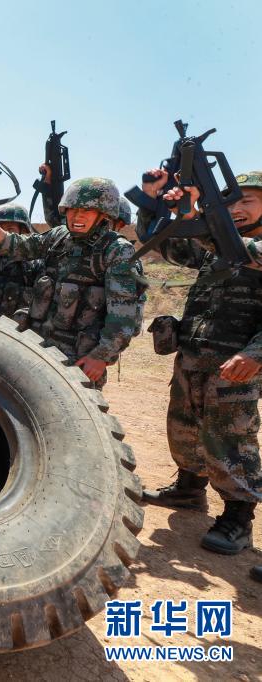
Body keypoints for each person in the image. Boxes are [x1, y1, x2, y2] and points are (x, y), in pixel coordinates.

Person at [138, 170, 262, 556]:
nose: (236, 208)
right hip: (193, 357)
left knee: (231, 440)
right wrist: (153, 202)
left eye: (247, 201)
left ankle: (238, 518)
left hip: (236, 367)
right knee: (183, 428)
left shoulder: (249, 249)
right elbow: (167, 244)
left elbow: (237, 250)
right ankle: (189, 489)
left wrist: (256, 354)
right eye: (230, 202)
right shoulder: (217, 247)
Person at [0, 177, 144, 388]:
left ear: (104, 214)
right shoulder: (59, 236)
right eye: (72, 209)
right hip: (38, 346)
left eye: (87, 211)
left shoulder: (117, 250)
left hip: (78, 359)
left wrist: (101, 357)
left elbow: (123, 315)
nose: (77, 216)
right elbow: (16, 246)